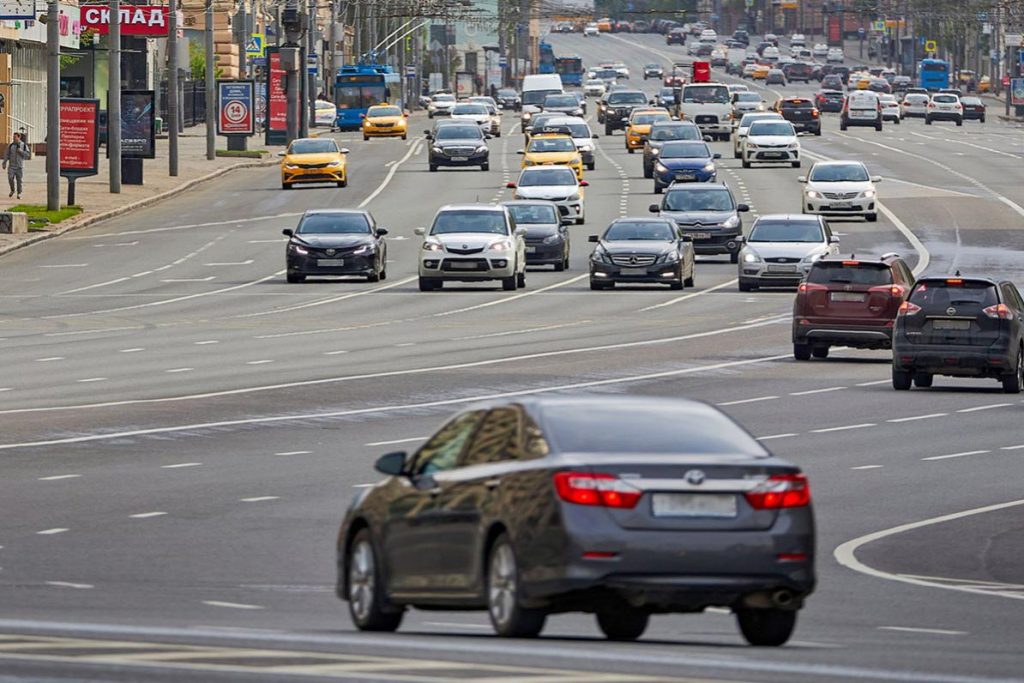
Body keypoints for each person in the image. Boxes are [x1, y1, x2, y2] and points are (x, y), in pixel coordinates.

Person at [3, 132, 30, 199]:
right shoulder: (11, 145)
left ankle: (19, 193)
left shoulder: (23, 145)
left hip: (19, 166)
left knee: (19, 180)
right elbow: (7, 154)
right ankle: (12, 190)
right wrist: (4, 162)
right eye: (13, 137)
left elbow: (27, 155)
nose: (13, 138)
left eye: (15, 137)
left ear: (19, 137)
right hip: (11, 166)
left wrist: (21, 151)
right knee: (10, 178)